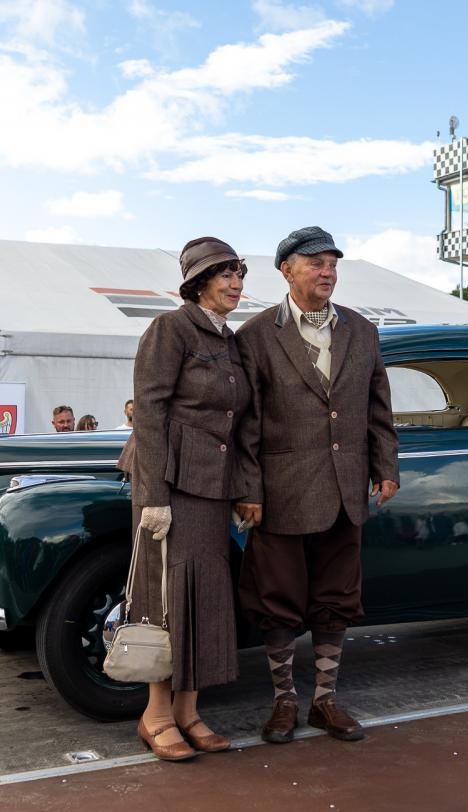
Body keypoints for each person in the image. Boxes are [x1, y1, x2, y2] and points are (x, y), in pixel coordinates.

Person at [235, 225, 400, 745]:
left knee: (336, 599)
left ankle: (324, 701)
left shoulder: (362, 331)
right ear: (287, 270)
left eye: (332, 263)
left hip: (345, 491)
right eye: (316, 263)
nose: (327, 272)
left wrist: (386, 466)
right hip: (279, 493)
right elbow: (246, 421)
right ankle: (284, 700)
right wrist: (248, 488)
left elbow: (378, 407)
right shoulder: (256, 335)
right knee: (276, 600)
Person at [116, 235, 252, 761]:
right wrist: (153, 495)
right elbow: (148, 413)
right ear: (199, 282)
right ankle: (154, 715)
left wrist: (241, 486)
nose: (236, 284)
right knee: (165, 594)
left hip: (212, 485)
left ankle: (188, 710)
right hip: (168, 482)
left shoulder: (229, 340)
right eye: (226, 275)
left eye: (240, 274)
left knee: (206, 594)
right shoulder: (170, 328)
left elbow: (236, 422)